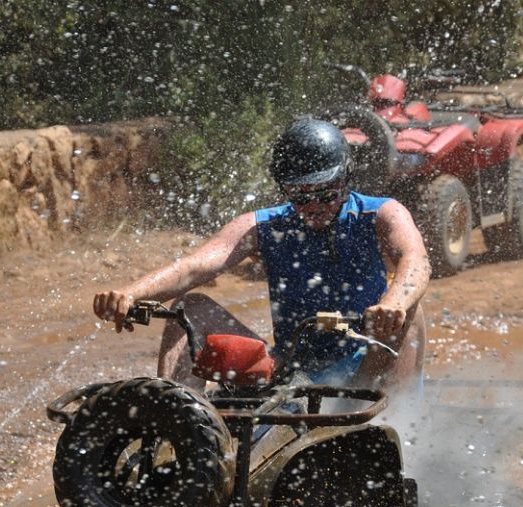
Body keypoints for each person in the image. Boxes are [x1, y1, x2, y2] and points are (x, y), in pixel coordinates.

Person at [92, 117, 431, 391]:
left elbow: (415, 261)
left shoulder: (383, 213)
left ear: (345, 180)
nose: (313, 206)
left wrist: (394, 304)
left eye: (326, 194)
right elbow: (195, 267)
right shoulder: (265, 225)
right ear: (285, 189)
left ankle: (367, 416)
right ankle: (178, 418)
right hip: (287, 366)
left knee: (412, 316)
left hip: (366, 363)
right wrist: (130, 294)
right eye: (301, 195)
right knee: (189, 307)